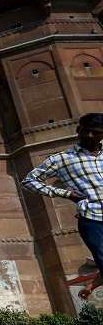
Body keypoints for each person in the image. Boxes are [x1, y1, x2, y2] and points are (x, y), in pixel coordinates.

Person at [22, 113, 103, 288]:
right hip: (93, 219)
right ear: (78, 130)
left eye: (95, 132)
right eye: (85, 131)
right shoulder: (62, 159)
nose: (89, 136)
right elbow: (29, 181)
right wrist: (65, 193)